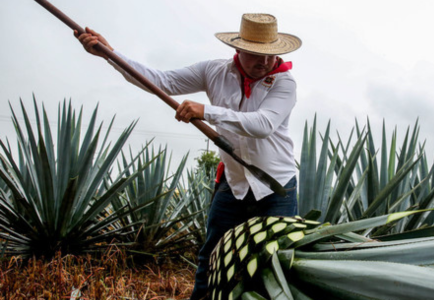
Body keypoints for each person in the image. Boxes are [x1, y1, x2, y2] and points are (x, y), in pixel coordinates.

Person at [76, 13, 301, 300]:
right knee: (212, 255)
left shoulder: (285, 82)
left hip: (275, 186)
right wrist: (109, 55)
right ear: (238, 49)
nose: (266, 62)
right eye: (257, 55)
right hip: (234, 184)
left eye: (271, 55)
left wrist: (206, 111)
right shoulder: (214, 71)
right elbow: (161, 81)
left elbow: (263, 124)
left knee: (273, 261)